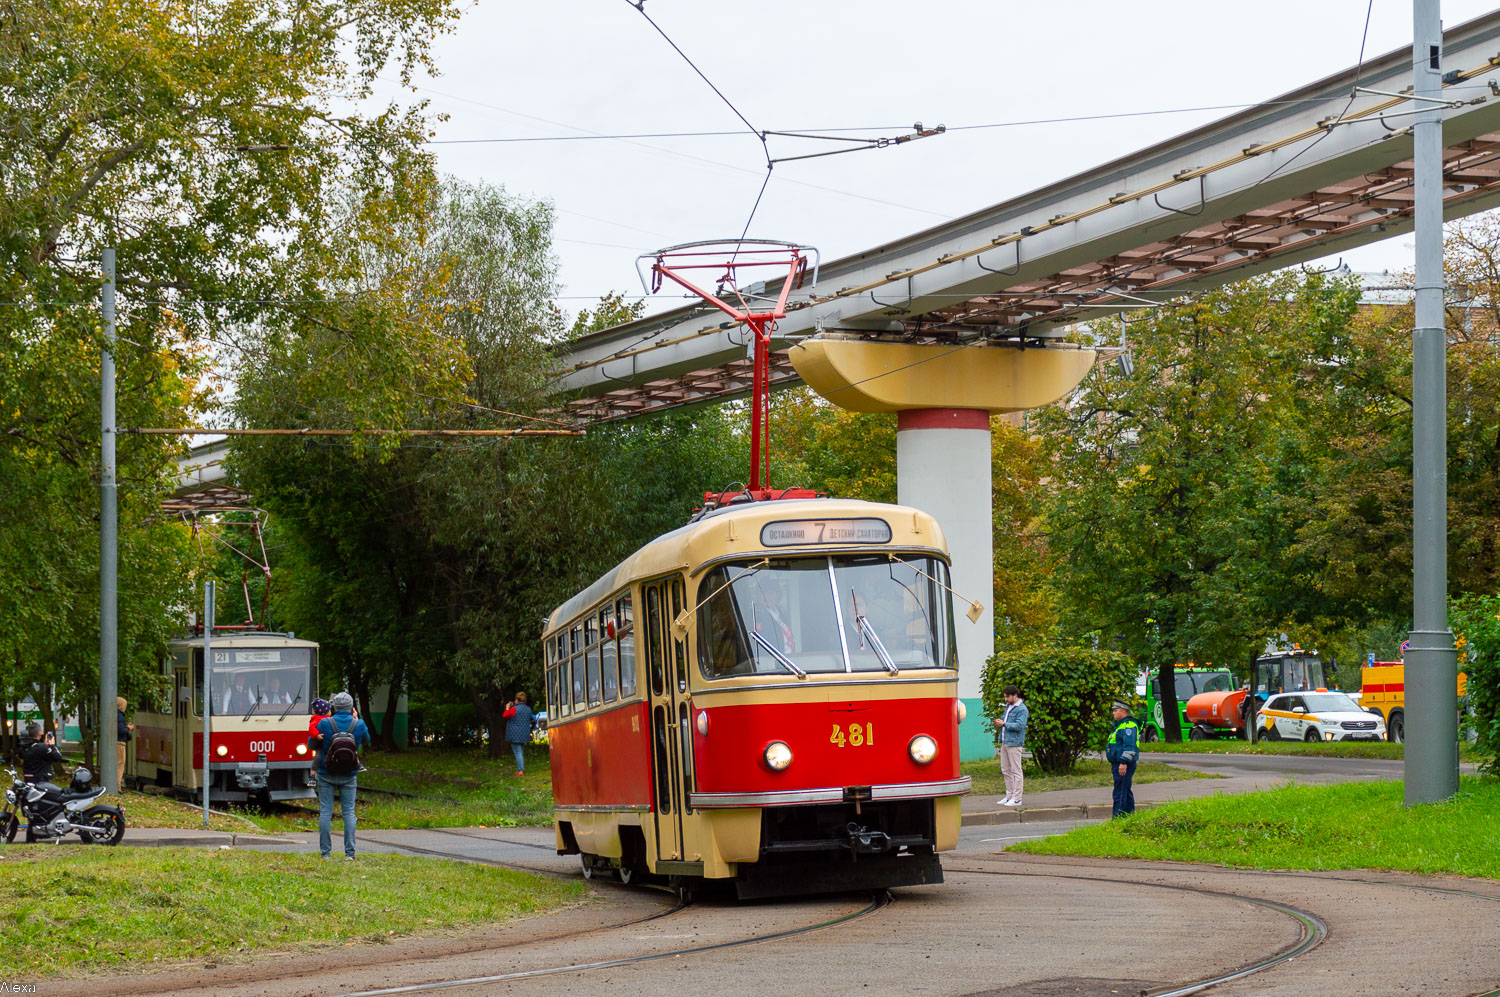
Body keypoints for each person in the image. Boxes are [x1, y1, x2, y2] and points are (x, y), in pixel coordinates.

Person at [309, 691, 370, 859]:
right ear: (351, 707)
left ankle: (325, 854)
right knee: (349, 812)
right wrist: (357, 719)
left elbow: (311, 744)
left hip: (326, 772)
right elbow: (366, 741)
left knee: (325, 812)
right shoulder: (358, 724)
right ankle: (350, 854)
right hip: (349, 774)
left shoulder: (325, 723)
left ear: (335, 706)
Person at [990, 685, 1028, 807]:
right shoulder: (1009, 707)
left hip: (1015, 743)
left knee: (1016, 770)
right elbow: (1005, 723)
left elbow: (1020, 725)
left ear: (1015, 696)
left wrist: (1004, 724)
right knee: (1006, 770)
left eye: (1007, 697)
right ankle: (1009, 796)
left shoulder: (1022, 709)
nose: (1006, 699)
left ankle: (1017, 798)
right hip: (1005, 742)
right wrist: (999, 723)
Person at [1105, 700, 1140, 818]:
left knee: (1119, 792)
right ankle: (1130, 816)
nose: (1113, 713)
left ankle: (1118, 818)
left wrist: (1124, 762)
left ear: (1124, 711)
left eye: (1116, 711)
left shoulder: (1128, 726)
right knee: (1125, 790)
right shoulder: (1121, 725)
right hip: (1120, 763)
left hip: (1123, 764)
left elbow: (1129, 746)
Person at [502, 692, 537, 777]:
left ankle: (520, 770)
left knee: (518, 752)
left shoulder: (514, 709)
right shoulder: (528, 709)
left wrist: (507, 708)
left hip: (515, 733)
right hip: (524, 733)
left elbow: (505, 715)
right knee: (520, 751)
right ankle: (519, 769)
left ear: (517, 700)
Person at [116, 696, 134, 790]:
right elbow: (120, 730)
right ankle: (117, 786)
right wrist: (128, 728)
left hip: (116, 742)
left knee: (118, 764)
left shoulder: (115, 714)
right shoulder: (119, 715)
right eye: (124, 705)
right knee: (120, 764)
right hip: (120, 743)